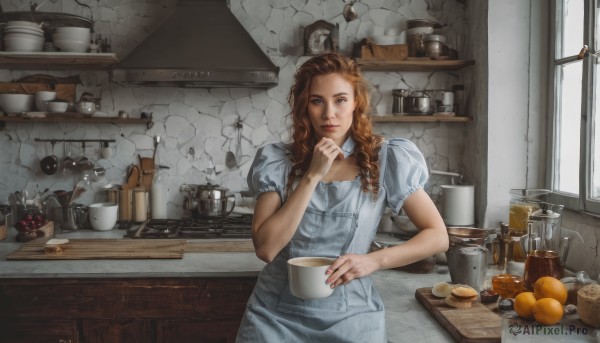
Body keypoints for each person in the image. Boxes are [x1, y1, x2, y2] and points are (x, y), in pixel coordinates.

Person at [236, 52, 449, 342]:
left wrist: (374, 261)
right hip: (275, 317)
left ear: (356, 104)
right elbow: (266, 248)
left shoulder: (387, 158)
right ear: (303, 107)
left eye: (340, 100)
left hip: (353, 317)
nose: (329, 114)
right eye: (317, 101)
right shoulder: (277, 160)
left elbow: (437, 236)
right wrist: (311, 176)